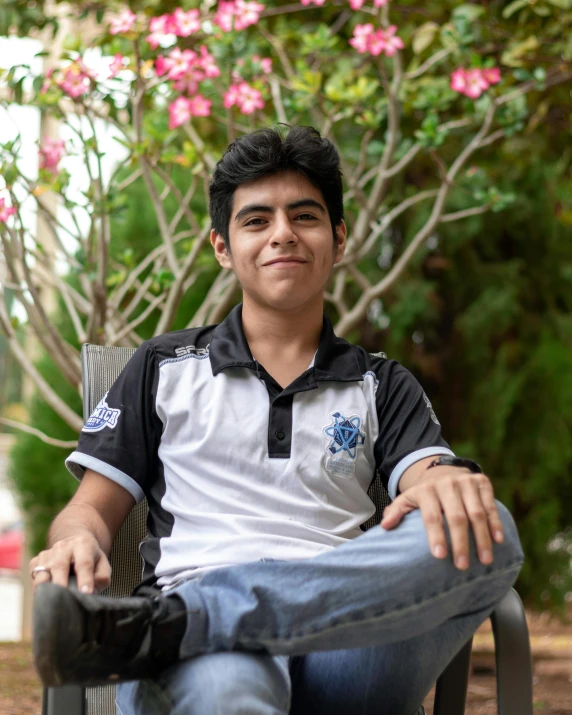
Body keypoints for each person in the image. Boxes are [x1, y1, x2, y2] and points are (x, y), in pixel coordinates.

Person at [30, 125, 524, 715]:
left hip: (348, 646)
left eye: (305, 216)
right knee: (229, 696)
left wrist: (444, 480)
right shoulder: (162, 367)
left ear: (338, 240)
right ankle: (197, 621)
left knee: (488, 526)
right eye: (257, 220)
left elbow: (426, 479)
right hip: (206, 659)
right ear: (222, 246)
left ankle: (195, 617)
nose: (283, 234)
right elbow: (89, 508)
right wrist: (75, 540)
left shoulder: (381, 384)